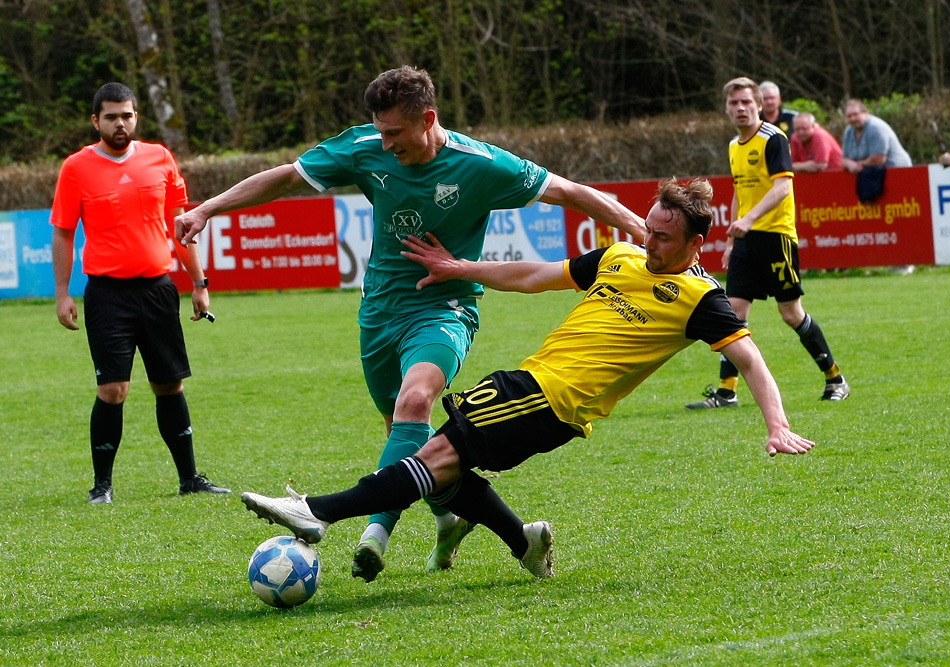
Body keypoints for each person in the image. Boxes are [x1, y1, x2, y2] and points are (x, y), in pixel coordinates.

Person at [174, 66, 645, 582]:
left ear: (428, 119)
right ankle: (493, 530)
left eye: (395, 132)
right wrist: (209, 209)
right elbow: (287, 175)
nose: (386, 142)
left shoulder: (481, 164)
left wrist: (640, 228)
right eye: (380, 130)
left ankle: (367, 532)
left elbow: (571, 192)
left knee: (415, 401)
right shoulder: (365, 147)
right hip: (378, 313)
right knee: (412, 443)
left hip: (445, 309)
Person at [240, 177, 815, 580]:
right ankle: (524, 541)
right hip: (532, 383)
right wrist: (462, 268)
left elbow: (751, 361)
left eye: (663, 237)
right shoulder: (619, 257)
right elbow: (538, 273)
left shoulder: (701, 299)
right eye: (648, 229)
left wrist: (777, 424)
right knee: (446, 471)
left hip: (555, 400)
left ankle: (316, 512)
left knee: (437, 456)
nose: (650, 241)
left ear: (696, 242)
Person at [51, 82, 230, 504]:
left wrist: (199, 283)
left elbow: (182, 225)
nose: (120, 123)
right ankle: (102, 487)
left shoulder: (159, 157)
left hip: (157, 289)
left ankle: (189, 479)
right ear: (96, 121)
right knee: (114, 389)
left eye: (127, 115)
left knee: (170, 385)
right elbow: (62, 234)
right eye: (111, 116)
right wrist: (62, 293)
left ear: (136, 117)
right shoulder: (76, 167)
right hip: (108, 294)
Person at [686, 77, 849, 410]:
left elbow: (782, 189)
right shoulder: (734, 145)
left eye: (746, 102)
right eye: (734, 103)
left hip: (776, 237)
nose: (740, 108)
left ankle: (835, 379)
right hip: (746, 241)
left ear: (760, 105)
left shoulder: (774, 138)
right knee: (733, 313)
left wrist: (749, 220)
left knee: (790, 314)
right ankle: (727, 391)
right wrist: (733, 237)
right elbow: (738, 193)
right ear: (727, 108)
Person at [841, 99, 913, 174]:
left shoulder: (876, 128)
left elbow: (879, 159)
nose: (852, 118)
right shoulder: (848, 131)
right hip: (873, 175)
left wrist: (857, 165)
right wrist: (850, 164)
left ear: (865, 112)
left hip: (899, 171)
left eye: (855, 114)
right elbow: (844, 159)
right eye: (849, 116)